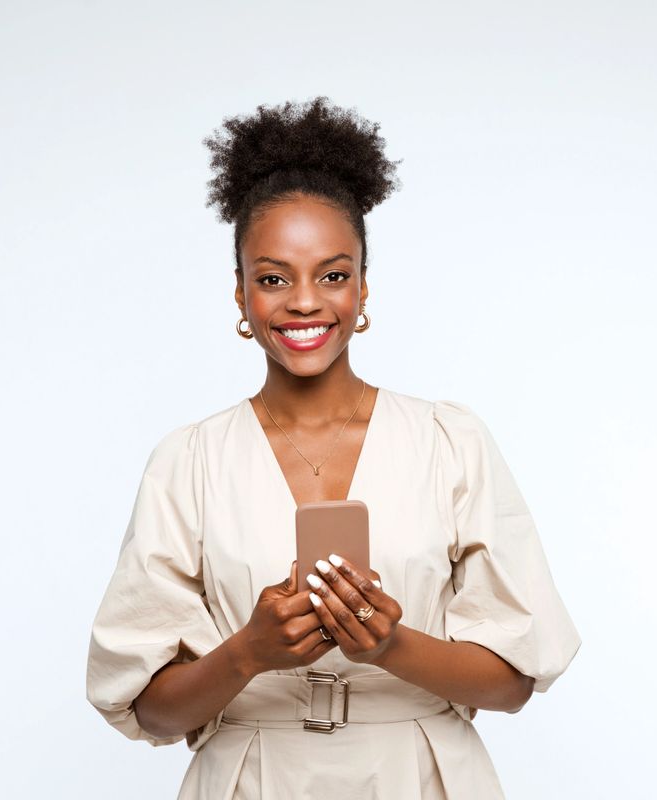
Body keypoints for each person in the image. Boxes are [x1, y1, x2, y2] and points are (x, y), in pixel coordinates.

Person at [85, 96, 582, 799]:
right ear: (240, 295)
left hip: (416, 773)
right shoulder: (188, 463)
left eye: (333, 274)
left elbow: (514, 683)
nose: (305, 301)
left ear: (363, 287)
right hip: (253, 776)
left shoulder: (449, 443)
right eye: (273, 277)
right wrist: (247, 653)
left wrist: (389, 646)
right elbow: (147, 708)